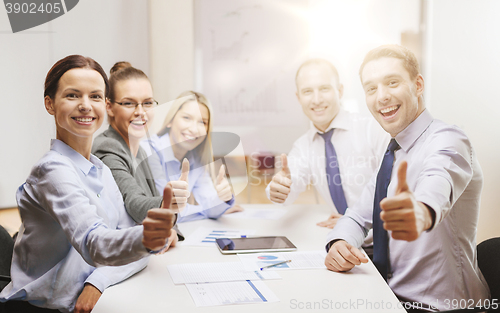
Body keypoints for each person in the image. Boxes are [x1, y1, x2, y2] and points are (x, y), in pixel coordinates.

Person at [0, 55, 177, 313]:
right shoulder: (52, 170)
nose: (85, 106)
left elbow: (126, 239)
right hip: (44, 307)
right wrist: (145, 240)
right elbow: (95, 243)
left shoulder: (100, 169)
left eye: (94, 96)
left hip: (93, 299)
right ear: (50, 104)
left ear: (104, 105)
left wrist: (100, 279)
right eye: (72, 95)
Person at [324, 45, 489, 312]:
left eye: (392, 82)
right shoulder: (393, 154)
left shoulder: (448, 140)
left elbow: (436, 187)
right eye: (371, 89)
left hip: (441, 307)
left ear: (418, 85)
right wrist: (340, 243)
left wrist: (420, 213)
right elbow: (356, 216)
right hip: (390, 299)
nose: (382, 97)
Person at [266, 58, 388, 230]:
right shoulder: (303, 146)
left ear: (340, 91)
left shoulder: (372, 130)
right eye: (307, 91)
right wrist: (279, 189)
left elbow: (396, 191)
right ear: (298, 97)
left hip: (387, 242)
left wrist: (355, 222)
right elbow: (290, 183)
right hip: (344, 242)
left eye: (324, 88)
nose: (316, 100)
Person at [92, 62, 189, 232]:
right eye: (129, 103)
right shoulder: (107, 148)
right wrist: (167, 203)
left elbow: (152, 205)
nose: (140, 112)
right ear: (109, 107)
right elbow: (135, 203)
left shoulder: (140, 151)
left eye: (147, 103)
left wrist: (172, 232)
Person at [141, 91, 237, 222]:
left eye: (202, 122)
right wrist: (204, 211)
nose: (194, 129)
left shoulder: (195, 158)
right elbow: (167, 210)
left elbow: (210, 206)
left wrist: (223, 198)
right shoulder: (149, 151)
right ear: (170, 121)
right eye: (186, 118)